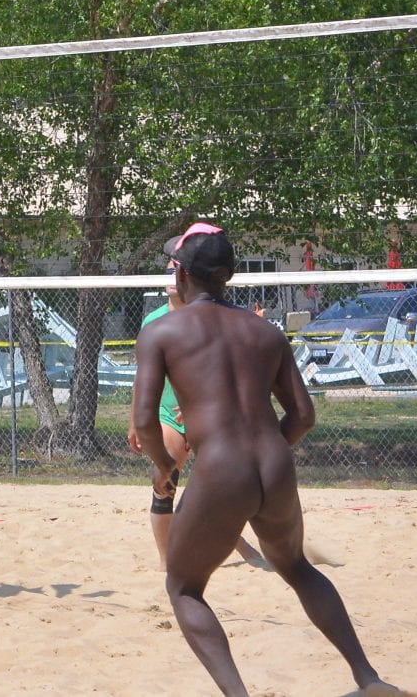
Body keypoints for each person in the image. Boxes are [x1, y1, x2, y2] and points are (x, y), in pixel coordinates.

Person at [133, 224, 396, 697]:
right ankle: (368, 677)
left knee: (184, 587)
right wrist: (267, 452)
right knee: (297, 567)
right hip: (275, 463)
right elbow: (304, 416)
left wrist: (166, 465)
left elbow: (145, 422)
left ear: (182, 275)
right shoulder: (265, 331)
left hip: (221, 467)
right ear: (228, 276)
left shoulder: (162, 332)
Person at [128, 223, 265, 572]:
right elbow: (142, 381)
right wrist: (134, 423)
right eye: (170, 268)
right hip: (169, 416)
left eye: (176, 267)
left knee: (219, 490)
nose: (171, 273)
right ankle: (167, 562)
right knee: (165, 483)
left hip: (208, 417)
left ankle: (244, 546)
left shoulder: (216, 318)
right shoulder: (155, 323)